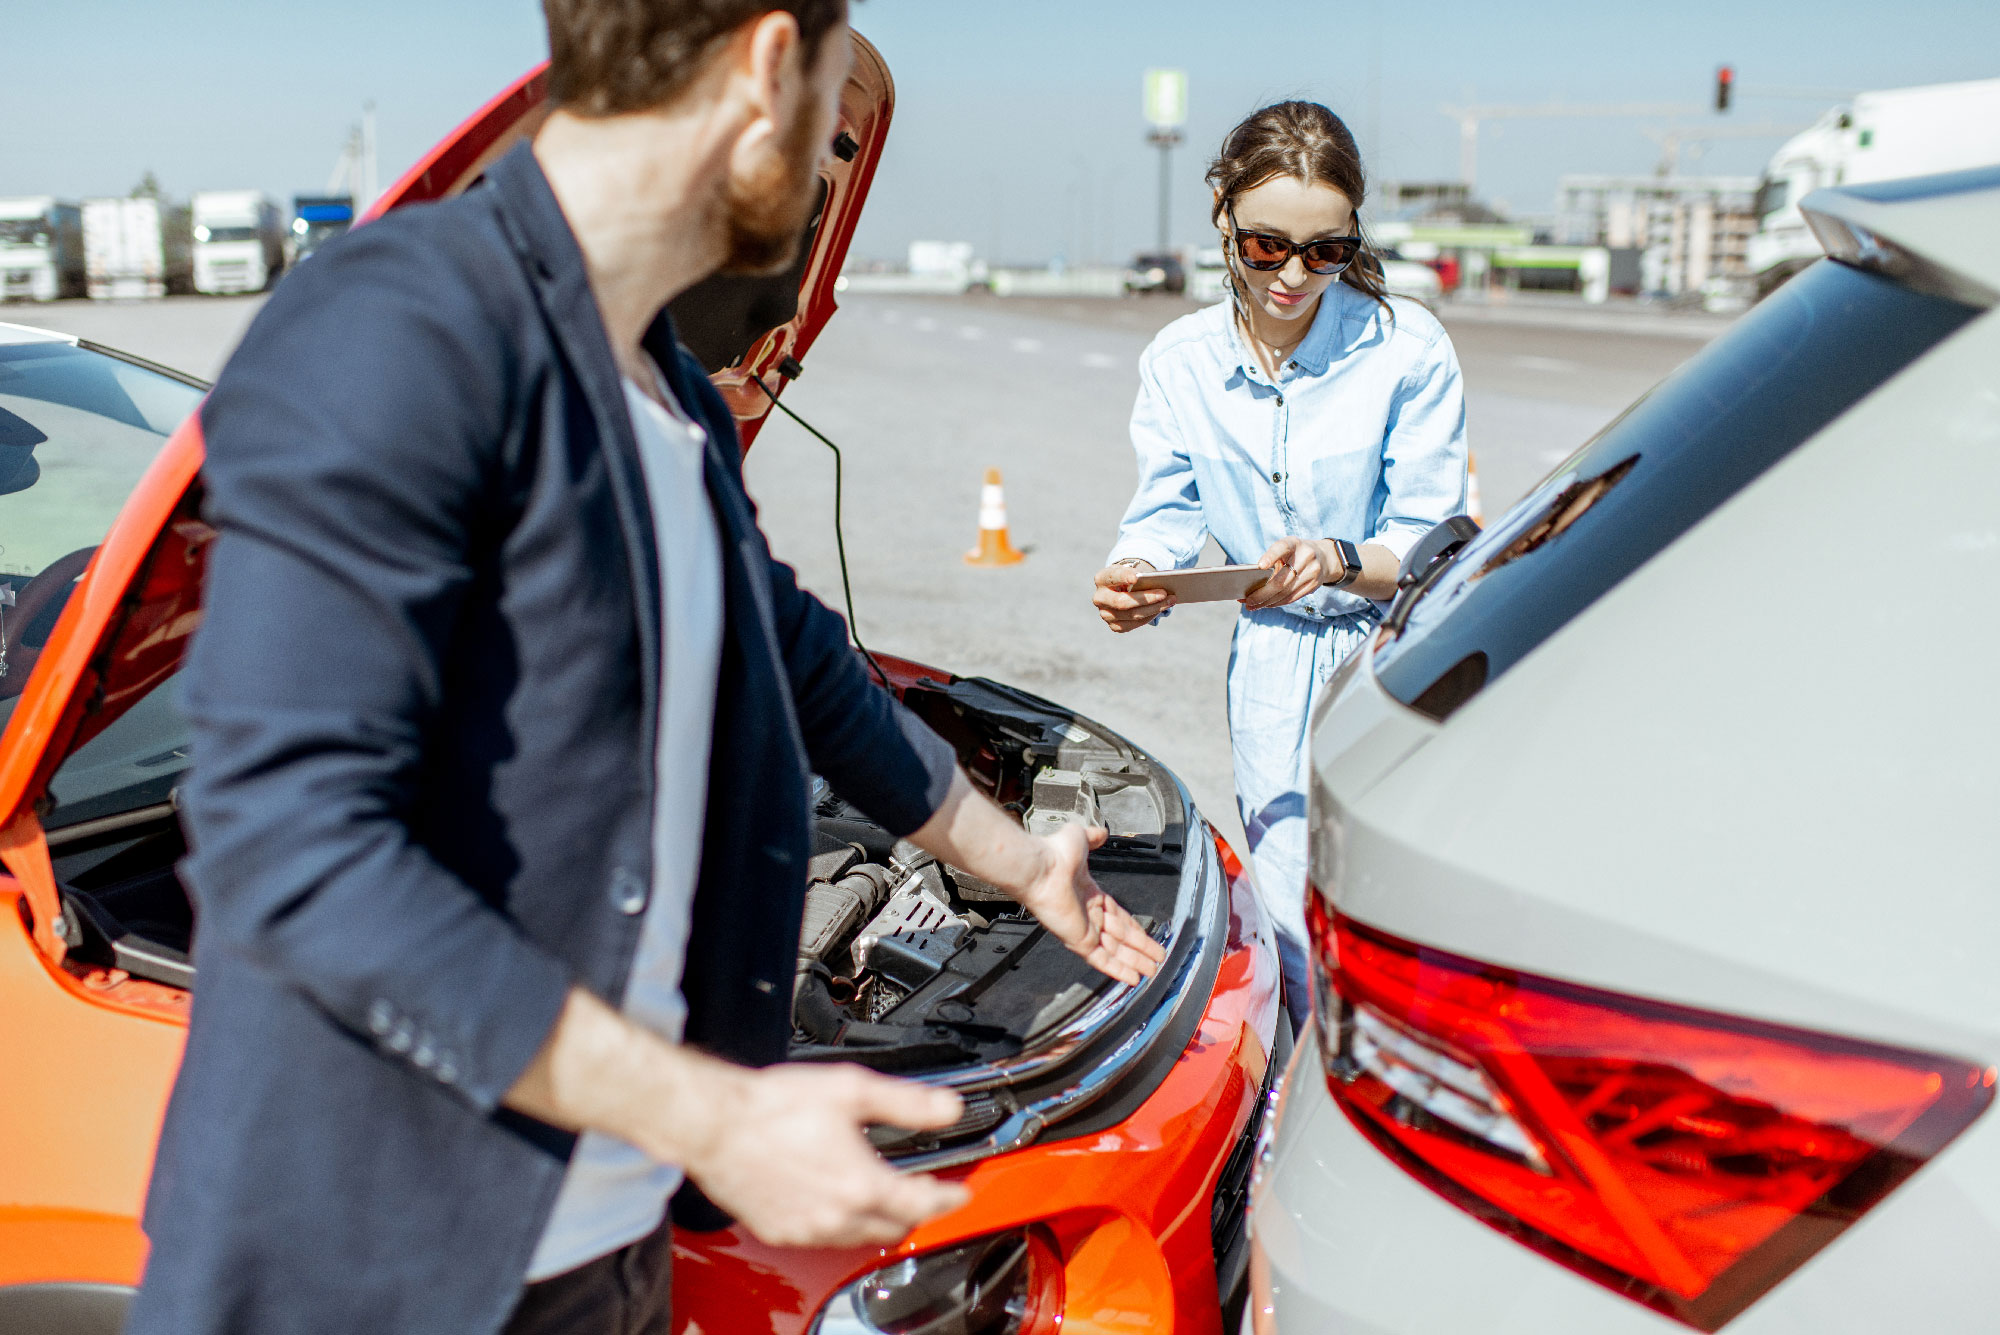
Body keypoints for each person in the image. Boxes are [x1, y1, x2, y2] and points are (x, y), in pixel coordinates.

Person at [127, 3, 1164, 1333]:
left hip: (601, 1245)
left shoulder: (660, 382)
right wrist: (712, 1111)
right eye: (830, 137)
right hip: (379, 1267)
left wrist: (1019, 860)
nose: (829, 182)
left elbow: (787, 649)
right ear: (767, 66)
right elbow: (289, 848)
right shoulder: (401, 327)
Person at [1091, 101, 1466, 1034]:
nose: (1294, 276)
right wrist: (1138, 571)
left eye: (1324, 251)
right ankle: (1299, 1112)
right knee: (1290, 907)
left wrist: (1337, 558)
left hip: (1391, 651)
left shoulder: (1406, 348)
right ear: (1222, 215)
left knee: (1394, 904)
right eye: (1266, 248)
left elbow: (1433, 540)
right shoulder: (1179, 363)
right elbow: (1170, 511)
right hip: (1270, 663)